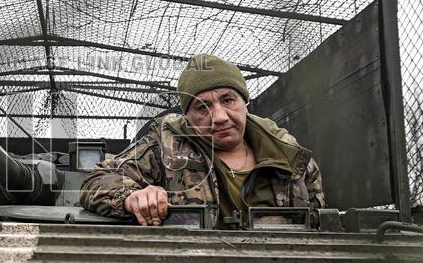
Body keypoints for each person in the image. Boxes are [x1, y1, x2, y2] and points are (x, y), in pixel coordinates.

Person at [80, 53, 324, 227]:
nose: (218, 117)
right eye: (202, 107)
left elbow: (319, 225)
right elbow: (95, 181)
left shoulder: (291, 157)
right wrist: (132, 197)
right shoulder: (164, 146)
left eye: (228, 100)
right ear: (187, 117)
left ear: (245, 104)